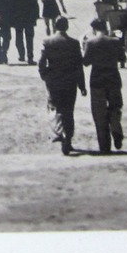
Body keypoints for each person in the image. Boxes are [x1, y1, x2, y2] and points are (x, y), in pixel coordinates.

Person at [38, 16, 86, 155]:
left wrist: (45, 75)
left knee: (55, 108)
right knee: (69, 110)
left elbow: (41, 62)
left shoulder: (48, 41)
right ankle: (68, 138)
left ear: (55, 25)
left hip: (54, 81)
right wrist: (81, 85)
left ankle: (59, 132)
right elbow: (79, 66)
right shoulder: (74, 43)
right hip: (70, 81)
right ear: (67, 27)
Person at [81, 18, 125, 153]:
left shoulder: (91, 42)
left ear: (94, 29)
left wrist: (84, 46)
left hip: (97, 79)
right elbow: (122, 59)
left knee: (99, 113)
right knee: (115, 106)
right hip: (113, 77)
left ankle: (104, 145)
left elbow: (86, 62)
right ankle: (116, 127)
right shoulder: (115, 41)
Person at [11, 0, 38, 64]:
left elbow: (11, 9)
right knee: (29, 39)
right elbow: (35, 7)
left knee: (19, 38)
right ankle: (30, 57)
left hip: (18, 20)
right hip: (29, 20)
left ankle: (21, 55)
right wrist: (34, 18)